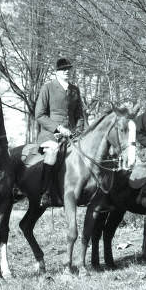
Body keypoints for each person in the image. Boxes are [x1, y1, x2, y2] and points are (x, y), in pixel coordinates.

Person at [35, 58, 85, 208]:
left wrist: (78, 131)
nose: (67, 71)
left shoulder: (75, 89)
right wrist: (58, 128)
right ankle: (45, 193)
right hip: (51, 134)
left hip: (72, 134)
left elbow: (80, 116)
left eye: (69, 69)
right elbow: (39, 115)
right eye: (63, 69)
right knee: (53, 151)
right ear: (56, 72)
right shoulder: (48, 88)